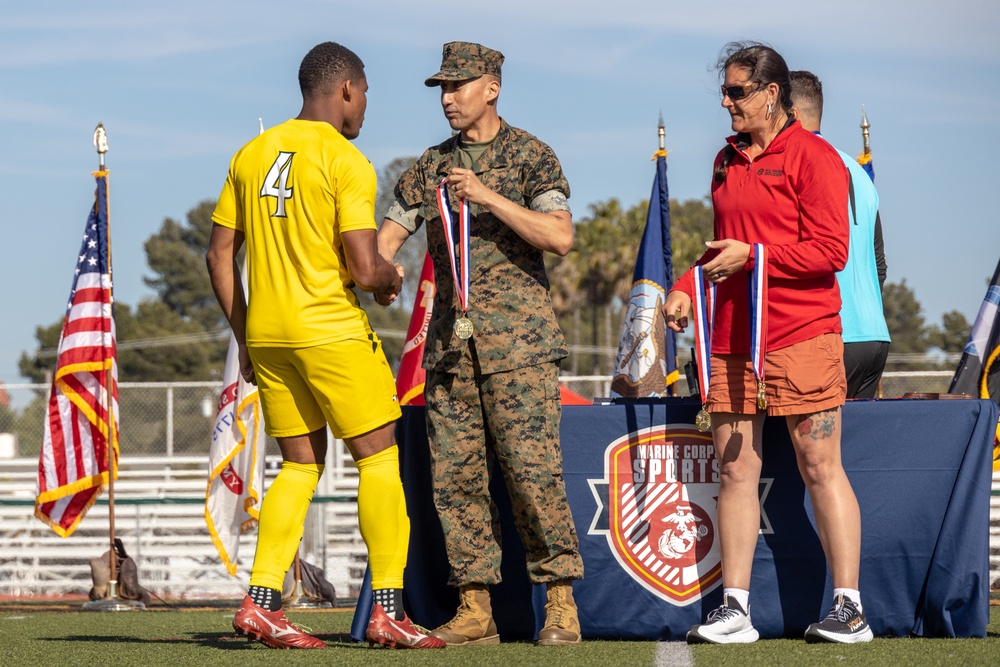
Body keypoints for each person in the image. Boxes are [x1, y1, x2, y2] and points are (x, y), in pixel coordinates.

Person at [206, 41, 444, 651]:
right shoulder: (346, 159)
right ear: (345, 89)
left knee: (301, 464)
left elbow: (218, 255)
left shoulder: (251, 153)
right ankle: (388, 610)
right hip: (330, 330)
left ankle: (262, 604)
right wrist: (392, 279)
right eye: (364, 93)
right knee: (378, 457)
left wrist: (246, 336)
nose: (364, 105)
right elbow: (366, 270)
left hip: (269, 335)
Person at [662, 41, 872, 644]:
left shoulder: (814, 156)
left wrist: (753, 257)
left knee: (818, 464)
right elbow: (723, 242)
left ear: (771, 93)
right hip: (729, 340)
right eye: (724, 92)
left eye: (736, 92)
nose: (726, 103)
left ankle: (850, 609)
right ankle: (734, 610)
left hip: (801, 337)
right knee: (734, 473)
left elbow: (832, 252)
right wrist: (685, 285)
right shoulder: (726, 160)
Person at [376, 41, 584, 647]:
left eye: (458, 86)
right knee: (457, 480)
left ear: (491, 87)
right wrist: (379, 274)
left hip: (520, 348)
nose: (446, 99)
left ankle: (561, 604)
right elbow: (388, 240)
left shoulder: (529, 156)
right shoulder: (428, 165)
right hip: (450, 349)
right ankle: (474, 608)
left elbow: (560, 236)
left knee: (532, 475)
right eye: (441, 89)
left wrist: (489, 196)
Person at [788, 70, 891, 399]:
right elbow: (879, 265)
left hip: (828, 335)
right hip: (874, 336)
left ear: (790, 114)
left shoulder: (798, 164)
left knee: (805, 451)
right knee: (848, 450)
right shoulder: (859, 174)